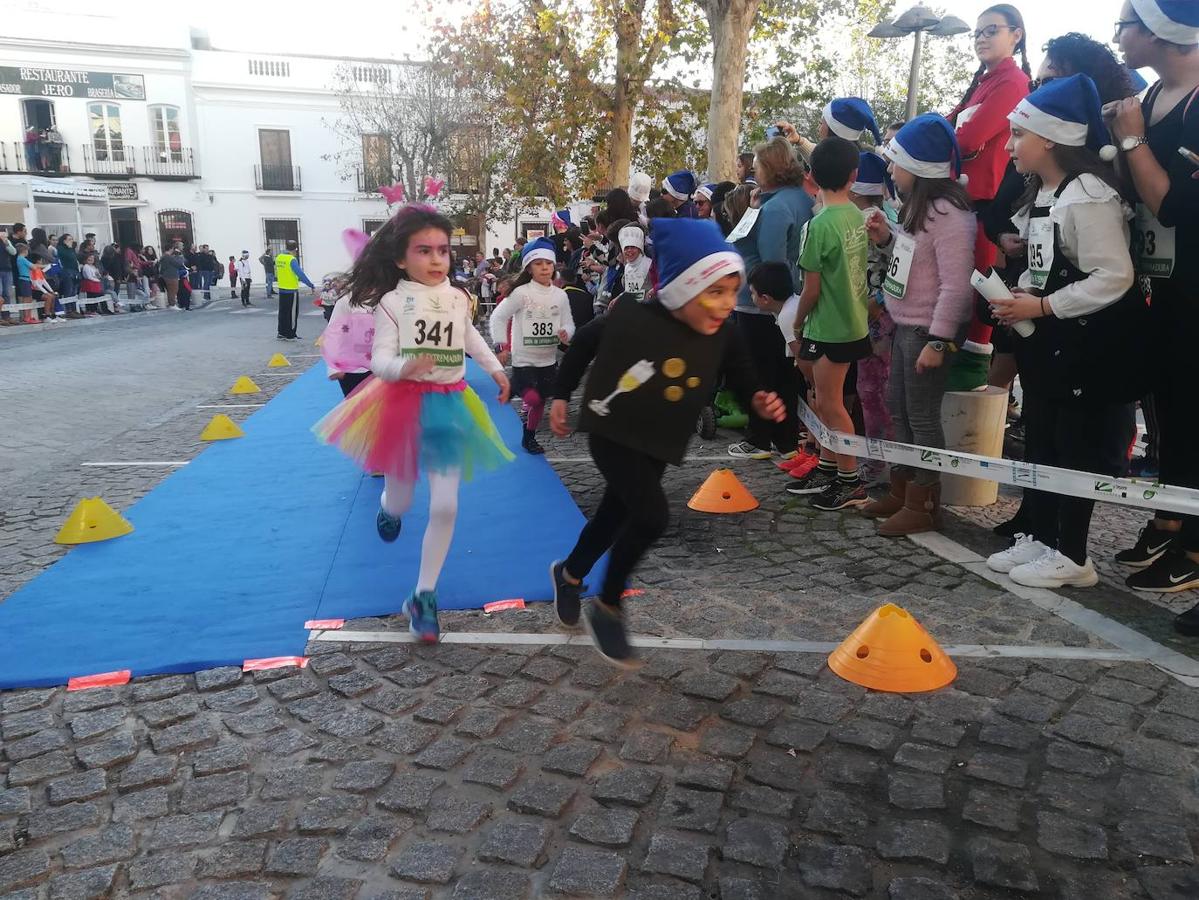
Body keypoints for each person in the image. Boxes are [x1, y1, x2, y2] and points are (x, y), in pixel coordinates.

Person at [548, 218, 784, 667]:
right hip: (612, 430)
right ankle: (609, 606)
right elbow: (583, 341)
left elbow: (743, 374)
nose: (724, 305)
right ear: (683, 288)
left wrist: (759, 399)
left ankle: (570, 574)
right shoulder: (635, 317)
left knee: (614, 515)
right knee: (652, 515)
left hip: (658, 437)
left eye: (732, 293)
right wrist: (561, 394)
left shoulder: (725, 332)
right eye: (713, 292)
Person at [314, 205, 513, 643]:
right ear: (401, 258)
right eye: (424, 250)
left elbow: (470, 336)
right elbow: (380, 361)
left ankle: (423, 596)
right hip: (403, 406)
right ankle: (388, 507)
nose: (437, 259)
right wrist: (406, 365)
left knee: (446, 506)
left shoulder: (458, 297)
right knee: (402, 501)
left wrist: (496, 369)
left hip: (450, 407)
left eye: (443, 249)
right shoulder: (390, 302)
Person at [983, 73, 1144, 589]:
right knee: (1045, 439)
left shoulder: (1089, 194)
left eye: (1017, 135)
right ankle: (1044, 533)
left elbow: (1114, 275)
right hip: (1051, 343)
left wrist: (1045, 305)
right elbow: (1042, 262)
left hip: (1086, 344)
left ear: (1049, 137)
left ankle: (1073, 554)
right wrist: (1014, 300)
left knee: (1073, 444)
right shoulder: (1047, 191)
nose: (1009, 147)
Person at [1105, 0, 1199, 615]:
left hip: (1193, 286)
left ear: (1161, 32)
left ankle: (1194, 549)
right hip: (1158, 284)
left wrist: (1133, 136)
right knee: (1166, 408)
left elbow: (1173, 207)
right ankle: (1171, 524)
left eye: (1126, 24)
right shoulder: (1156, 91)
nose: (1116, 37)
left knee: (1193, 410)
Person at [861, 115, 976, 534]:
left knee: (922, 417)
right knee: (899, 410)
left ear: (919, 167)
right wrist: (886, 239)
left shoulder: (949, 214)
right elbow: (914, 260)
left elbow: (956, 286)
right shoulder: (918, 208)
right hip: (907, 325)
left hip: (928, 330)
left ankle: (924, 501)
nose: (890, 170)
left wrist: (941, 340)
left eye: (896, 162)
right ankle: (903, 487)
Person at [947, 3, 1032, 389]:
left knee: (980, 297)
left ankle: (974, 385)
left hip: (984, 205)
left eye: (991, 30)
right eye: (977, 32)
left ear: (1016, 35)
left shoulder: (1013, 82)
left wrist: (934, 141)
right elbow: (948, 129)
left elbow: (966, 137)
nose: (981, 38)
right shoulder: (983, 81)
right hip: (961, 203)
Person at [785, 137, 871, 511]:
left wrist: (798, 322)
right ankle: (828, 465)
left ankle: (850, 480)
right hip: (852, 322)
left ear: (811, 176)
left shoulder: (818, 225)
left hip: (828, 326)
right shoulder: (856, 214)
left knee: (832, 406)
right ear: (854, 175)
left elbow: (811, 288)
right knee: (824, 401)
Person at [729, 136, 815, 461]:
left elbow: (771, 261)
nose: (753, 170)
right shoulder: (801, 199)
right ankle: (785, 440)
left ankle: (761, 439)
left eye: (758, 166)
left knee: (763, 372)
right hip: (789, 299)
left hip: (762, 302)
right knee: (784, 374)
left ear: (771, 168)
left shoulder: (776, 207)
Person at [489, 238, 575, 454]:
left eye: (548, 263)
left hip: (548, 360)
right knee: (532, 398)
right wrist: (502, 345)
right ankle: (515, 383)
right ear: (529, 267)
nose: (545, 267)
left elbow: (568, 322)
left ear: (554, 265)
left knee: (538, 404)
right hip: (523, 359)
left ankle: (529, 438)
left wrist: (566, 332)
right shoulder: (521, 293)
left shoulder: (560, 295)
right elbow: (498, 317)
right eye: (538, 263)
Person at [274, 240, 314, 341]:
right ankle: (290, 334)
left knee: (283, 312)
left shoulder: (279, 257)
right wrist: (310, 285)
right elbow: (300, 274)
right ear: (295, 249)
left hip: (282, 288)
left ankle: (281, 332)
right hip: (291, 290)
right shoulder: (292, 260)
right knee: (291, 313)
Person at [613, 224, 651, 306]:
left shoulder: (649, 265)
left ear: (639, 248)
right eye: (626, 248)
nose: (629, 251)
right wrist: (620, 297)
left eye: (633, 247)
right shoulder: (627, 267)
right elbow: (630, 291)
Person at [159, 244, 186, 309]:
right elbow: (179, 264)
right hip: (171, 276)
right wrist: (181, 257)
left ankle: (171, 304)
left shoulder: (163, 257)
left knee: (170, 290)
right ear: (170, 249)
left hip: (166, 275)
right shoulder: (169, 257)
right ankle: (172, 304)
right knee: (173, 290)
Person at [56, 234, 80, 301]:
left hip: (75, 271)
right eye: (69, 239)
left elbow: (75, 259)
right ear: (64, 241)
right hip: (67, 271)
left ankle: (74, 308)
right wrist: (68, 247)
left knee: (74, 291)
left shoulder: (71, 249)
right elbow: (66, 257)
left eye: (72, 239)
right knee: (69, 290)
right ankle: (69, 309)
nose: (71, 241)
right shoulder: (60, 248)